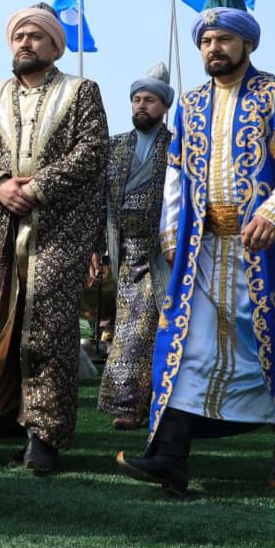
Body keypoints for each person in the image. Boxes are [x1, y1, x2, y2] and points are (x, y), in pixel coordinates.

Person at [115, 0, 275, 495]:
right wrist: (171, 229)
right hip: (202, 251)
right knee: (187, 346)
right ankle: (170, 456)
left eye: (224, 39)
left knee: (273, 346)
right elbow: (176, 172)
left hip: (263, 250)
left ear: (247, 43)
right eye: (206, 41)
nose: (214, 48)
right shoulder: (189, 105)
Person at [0, 3, 109, 473]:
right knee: (7, 320)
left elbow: (92, 150)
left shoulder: (80, 91)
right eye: (19, 35)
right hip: (5, 229)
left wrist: (38, 188)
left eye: (35, 36)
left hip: (59, 229)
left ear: (54, 45)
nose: (25, 42)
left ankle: (47, 435)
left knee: (47, 326)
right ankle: (13, 421)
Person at [95, 63, 174, 431]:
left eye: (150, 100)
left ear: (164, 106)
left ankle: (154, 404)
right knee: (131, 328)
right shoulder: (115, 147)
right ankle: (130, 405)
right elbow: (99, 201)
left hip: (165, 253)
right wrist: (99, 248)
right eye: (137, 99)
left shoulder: (177, 147)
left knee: (154, 328)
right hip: (125, 250)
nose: (142, 105)